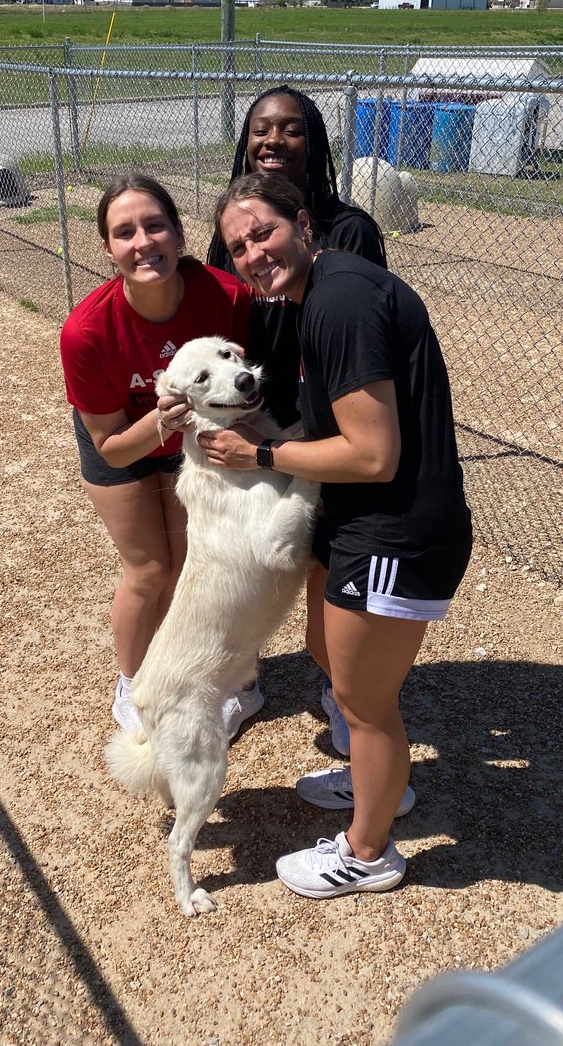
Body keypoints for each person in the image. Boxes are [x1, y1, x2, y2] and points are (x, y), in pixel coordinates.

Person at [202, 172, 472, 900]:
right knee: (327, 651)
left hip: (398, 527)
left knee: (363, 702)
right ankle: (372, 785)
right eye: (239, 246)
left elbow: (371, 454)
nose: (255, 253)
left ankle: (369, 852)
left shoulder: (341, 301)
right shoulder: (323, 294)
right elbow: (337, 432)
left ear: (303, 225)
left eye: (264, 232)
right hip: (361, 519)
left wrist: (258, 455)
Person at [59, 174, 262, 738]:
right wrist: (162, 419)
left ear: (177, 232)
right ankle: (133, 681)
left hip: (192, 439)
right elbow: (112, 446)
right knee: (148, 570)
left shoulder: (224, 295)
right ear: (107, 248)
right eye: (124, 233)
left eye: (154, 225)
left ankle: (199, 674)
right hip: (125, 439)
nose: (143, 242)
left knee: (194, 565)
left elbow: (243, 381)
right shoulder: (86, 331)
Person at [205, 85, 387, 429]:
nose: (272, 140)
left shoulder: (347, 231)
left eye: (291, 131)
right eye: (260, 131)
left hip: (326, 415)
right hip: (252, 408)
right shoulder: (236, 234)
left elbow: (363, 338)